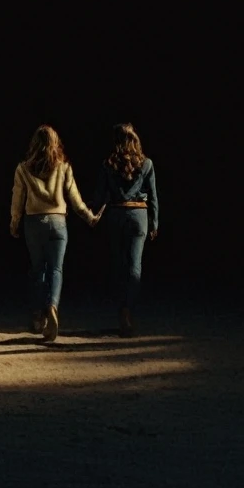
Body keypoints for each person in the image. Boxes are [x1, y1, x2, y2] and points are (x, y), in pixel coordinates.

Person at [10, 124, 99, 342]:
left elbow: (17, 200)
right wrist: (90, 217)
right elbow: (75, 199)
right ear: (55, 143)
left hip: (33, 222)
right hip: (58, 223)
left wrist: (14, 222)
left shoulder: (23, 169)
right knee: (56, 270)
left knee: (38, 269)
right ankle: (53, 307)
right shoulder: (64, 167)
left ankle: (39, 316)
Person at [92, 123, 159, 337]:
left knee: (118, 264)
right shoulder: (147, 164)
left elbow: (100, 196)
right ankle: (128, 310)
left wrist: (91, 214)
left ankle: (121, 308)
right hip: (139, 216)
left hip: (116, 216)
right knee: (135, 266)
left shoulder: (108, 165)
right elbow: (154, 196)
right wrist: (155, 222)